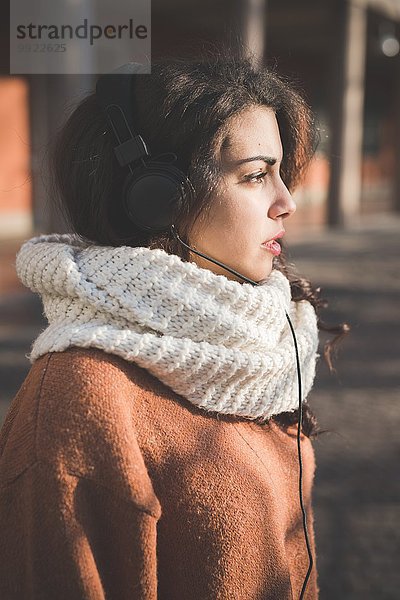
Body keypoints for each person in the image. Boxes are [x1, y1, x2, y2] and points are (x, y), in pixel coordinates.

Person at [0, 49, 348, 599]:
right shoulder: (79, 400)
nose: (286, 202)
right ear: (156, 198)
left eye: (282, 173)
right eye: (256, 175)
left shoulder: (266, 345)